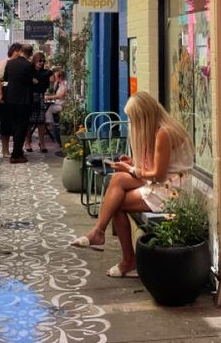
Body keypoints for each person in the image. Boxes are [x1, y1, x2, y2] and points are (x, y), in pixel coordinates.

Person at [71, 92, 194, 277]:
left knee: (117, 202)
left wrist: (131, 169)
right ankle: (103, 237)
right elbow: (155, 169)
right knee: (118, 181)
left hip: (171, 190)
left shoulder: (163, 133)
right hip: (164, 183)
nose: (131, 122)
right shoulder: (159, 129)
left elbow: (159, 176)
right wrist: (132, 164)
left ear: (143, 116)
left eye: (132, 118)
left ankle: (121, 254)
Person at [2, 44, 35, 163]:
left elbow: (6, 78)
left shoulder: (10, 63)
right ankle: (16, 154)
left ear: (20, 51)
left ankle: (18, 151)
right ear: (30, 54)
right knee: (22, 126)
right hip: (24, 100)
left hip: (10, 98)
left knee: (15, 125)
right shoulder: (29, 65)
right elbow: (31, 81)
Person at [0, 43, 22, 155]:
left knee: (15, 123)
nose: (19, 54)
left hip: (16, 97)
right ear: (13, 51)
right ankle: (5, 149)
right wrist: (0, 94)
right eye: (18, 51)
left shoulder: (19, 64)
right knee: (5, 122)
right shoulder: (5, 62)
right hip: (6, 96)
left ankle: (15, 148)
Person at [26, 52, 53, 152]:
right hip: (30, 97)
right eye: (39, 61)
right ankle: (28, 142)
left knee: (41, 121)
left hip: (40, 96)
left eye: (43, 61)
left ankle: (42, 143)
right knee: (29, 122)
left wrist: (38, 81)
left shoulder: (45, 72)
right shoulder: (29, 71)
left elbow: (44, 86)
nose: (41, 63)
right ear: (34, 60)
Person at [44, 69, 68, 147]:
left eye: (56, 76)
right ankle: (49, 126)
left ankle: (51, 125)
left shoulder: (65, 84)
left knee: (48, 109)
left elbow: (60, 96)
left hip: (63, 105)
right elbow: (55, 92)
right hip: (58, 104)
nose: (55, 77)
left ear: (59, 77)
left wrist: (49, 97)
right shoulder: (59, 84)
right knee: (48, 107)